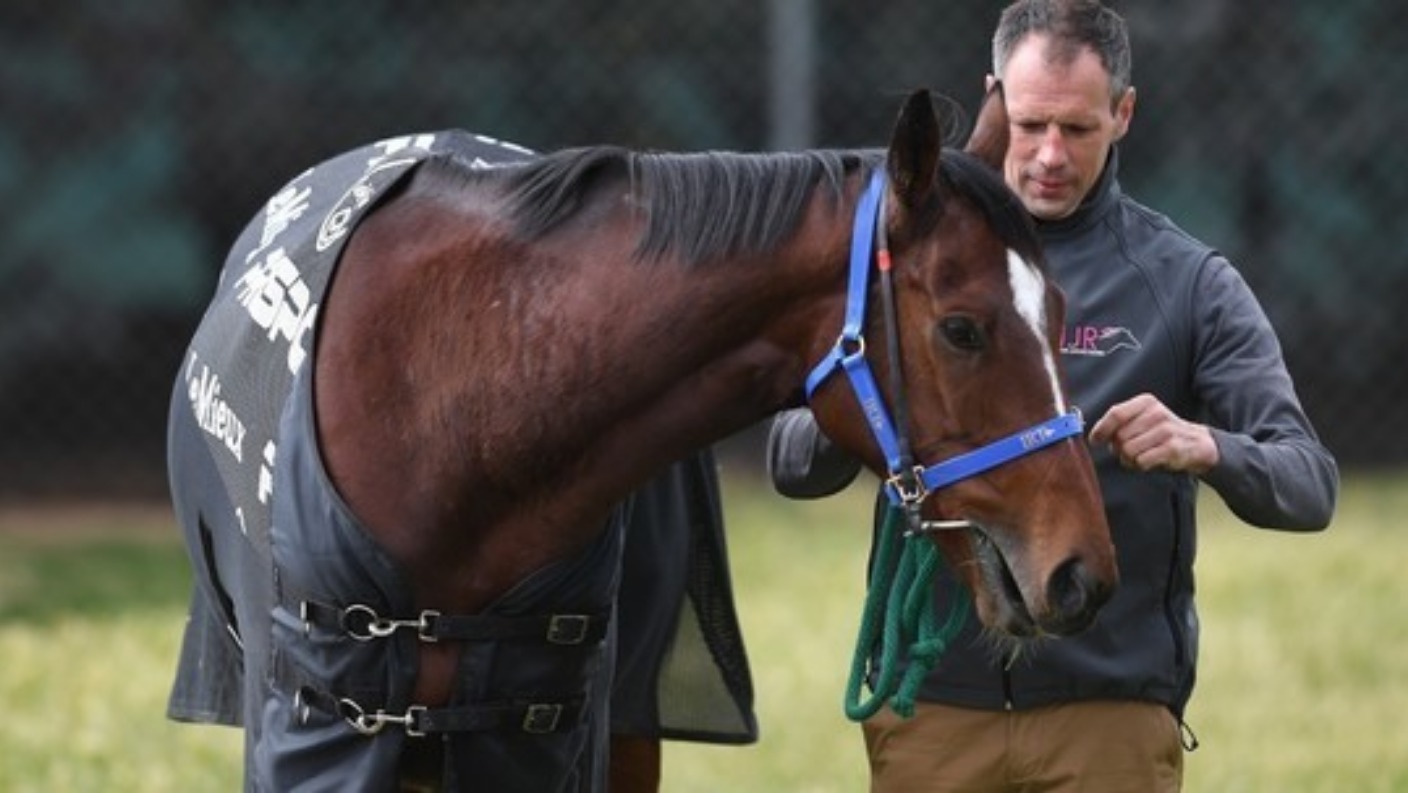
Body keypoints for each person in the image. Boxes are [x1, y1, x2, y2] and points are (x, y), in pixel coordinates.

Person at [768, 1, 1338, 790]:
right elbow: (793, 467)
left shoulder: (1186, 282)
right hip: (933, 704)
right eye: (1031, 123)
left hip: (1107, 710)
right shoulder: (906, 262)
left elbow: (1309, 485)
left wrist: (1205, 445)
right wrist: (881, 399)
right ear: (994, 99)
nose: (1049, 155)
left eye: (1077, 128)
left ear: (1123, 113)